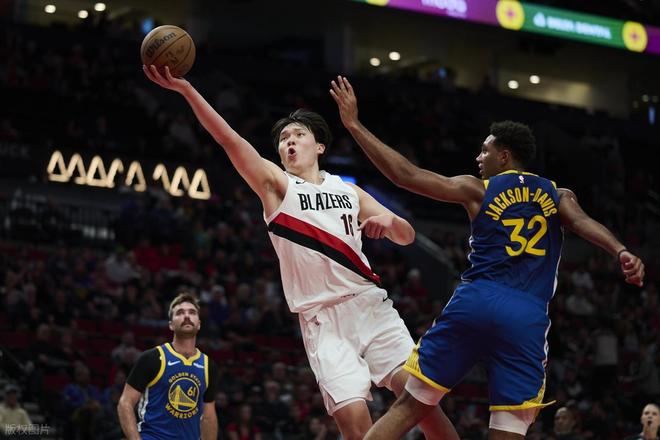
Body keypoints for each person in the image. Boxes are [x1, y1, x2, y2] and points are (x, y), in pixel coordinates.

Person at [143, 65, 457, 440]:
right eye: (283, 139)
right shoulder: (277, 187)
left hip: (371, 307)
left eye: (298, 135)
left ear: (319, 146)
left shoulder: (348, 191)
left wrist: (389, 223)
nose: (289, 142)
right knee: (355, 426)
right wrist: (188, 90)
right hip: (322, 321)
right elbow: (228, 139)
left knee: (421, 402)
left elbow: (407, 235)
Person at [329, 76, 646, 440]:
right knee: (508, 431)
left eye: (485, 151)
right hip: (526, 316)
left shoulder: (477, 189)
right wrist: (620, 250)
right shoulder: (558, 195)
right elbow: (584, 223)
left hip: (476, 301)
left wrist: (354, 125)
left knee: (410, 406)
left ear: (504, 156)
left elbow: (405, 175)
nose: (479, 158)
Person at [117, 292, 219, 440]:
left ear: (199, 324)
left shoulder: (209, 366)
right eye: (180, 313)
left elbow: (209, 417)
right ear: (171, 325)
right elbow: (125, 402)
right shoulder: (151, 358)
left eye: (192, 312)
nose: (186, 316)